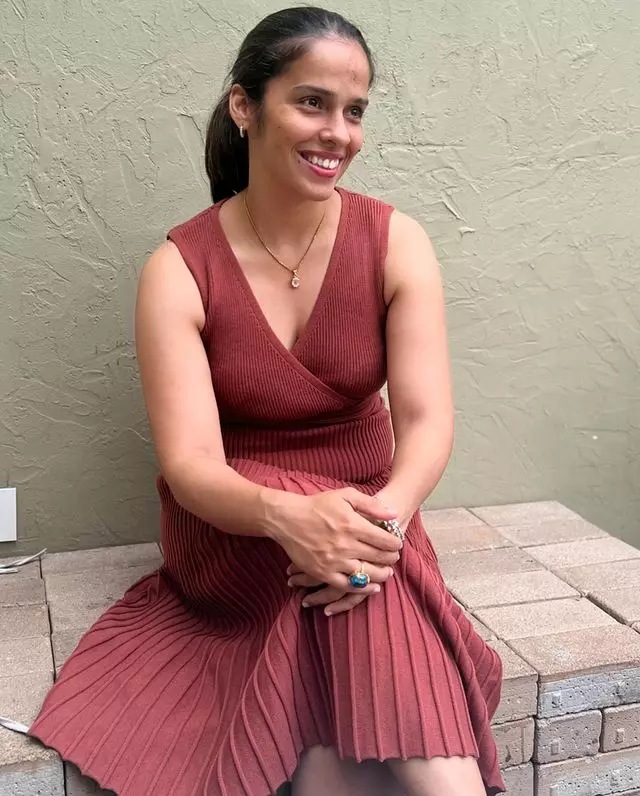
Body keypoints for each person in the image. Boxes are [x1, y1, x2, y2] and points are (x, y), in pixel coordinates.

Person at [23, 7, 505, 795]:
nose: (338, 133)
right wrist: (293, 518)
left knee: (350, 584)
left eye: (354, 111)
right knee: (349, 581)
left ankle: (323, 778)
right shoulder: (179, 269)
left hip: (372, 512)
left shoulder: (397, 243)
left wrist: (383, 523)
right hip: (238, 523)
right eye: (312, 102)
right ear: (245, 106)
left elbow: (426, 421)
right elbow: (189, 465)